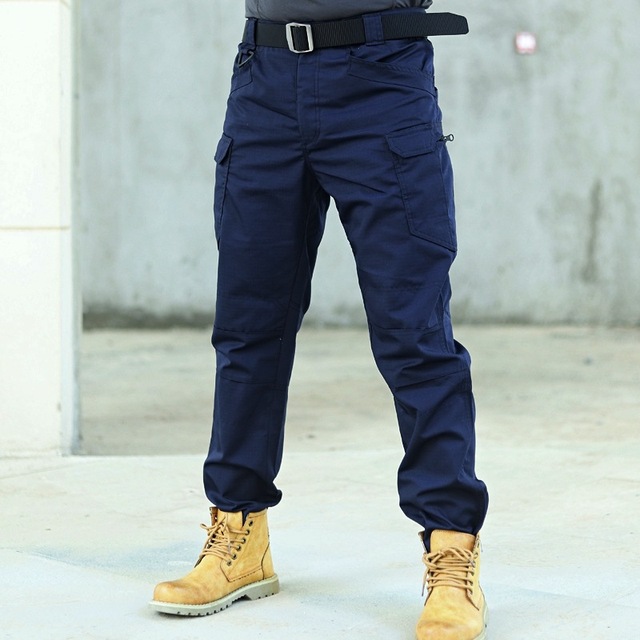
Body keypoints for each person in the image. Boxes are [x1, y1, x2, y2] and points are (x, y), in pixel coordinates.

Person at [150, 2, 489, 638]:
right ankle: (239, 532)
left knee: (414, 334)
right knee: (249, 329)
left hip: (382, 78)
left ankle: (451, 549)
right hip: (266, 78)